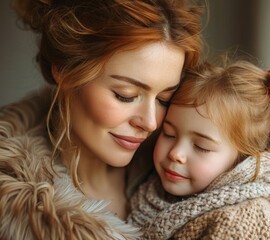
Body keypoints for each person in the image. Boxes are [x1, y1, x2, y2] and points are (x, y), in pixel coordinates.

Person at [0, 0, 203, 239]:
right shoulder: (13, 209)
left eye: (164, 99)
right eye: (125, 95)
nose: (150, 123)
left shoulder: (196, 172)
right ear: (66, 71)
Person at [127, 59, 270, 239]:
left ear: (242, 160)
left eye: (201, 147)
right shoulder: (146, 188)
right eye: (169, 134)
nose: (175, 153)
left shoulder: (243, 223)